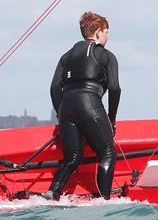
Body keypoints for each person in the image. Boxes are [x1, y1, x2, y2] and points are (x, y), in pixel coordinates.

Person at [45, 12, 121, 200]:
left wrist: (61, 113)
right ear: (97, 33)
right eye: (105, 32)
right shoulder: (106, 55)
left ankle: (52, 192)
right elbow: (115, 88)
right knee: (107, 153)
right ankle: (103, 199)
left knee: (73, 157)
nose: (106, 37)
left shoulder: (66, 56)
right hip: (90, 104)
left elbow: (54, 87)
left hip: (66, 108)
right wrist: (111, 119)